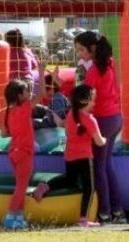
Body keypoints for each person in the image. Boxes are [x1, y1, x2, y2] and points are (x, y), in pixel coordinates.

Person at [33, 85, 105, 228]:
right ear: (85, 102)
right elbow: (99, 142)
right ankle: (84, 218)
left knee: (69, 179)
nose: (94, 103)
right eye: (93, 101)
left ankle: (46, 186)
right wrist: (105, 139)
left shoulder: (72, 114)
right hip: (85, 157)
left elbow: (67, 133)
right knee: (89, 187)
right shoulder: (90, 120)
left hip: (70, 155)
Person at [74, 31, 125, 223]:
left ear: (92, 48)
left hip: (103, 120)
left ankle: (104, 211)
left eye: (81, 49)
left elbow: (84, 99)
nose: (79, 53)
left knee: (99, 167)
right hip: (115, 118)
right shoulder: (110, 64)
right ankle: (117, 211)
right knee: (107, 164)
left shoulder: (95, 71)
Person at [0, 79, 35, 230]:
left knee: (21, 185)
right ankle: (9, 216)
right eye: (26, 90)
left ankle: (18, 218)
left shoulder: (7, 112)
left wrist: (18, 130)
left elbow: (3, 134)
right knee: (21, 187)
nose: (29, 93)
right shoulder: (25, 107)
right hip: (24, 152)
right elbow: (42, 94)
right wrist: (41, 70)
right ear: (20, 96)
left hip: (13, 152)